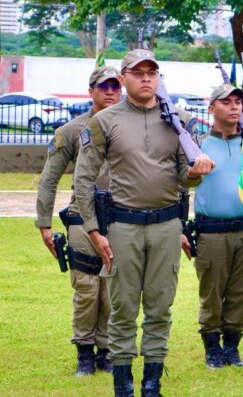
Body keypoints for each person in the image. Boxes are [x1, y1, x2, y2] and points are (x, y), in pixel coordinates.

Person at [74, 49, 215, 397]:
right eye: (138, 72)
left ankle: (152, 382)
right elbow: (83, 179)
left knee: (160, 307)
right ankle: (123, 384)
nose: (146, 78)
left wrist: (197, 174)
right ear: (123, 79)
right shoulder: (106, 121)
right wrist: (93, 230)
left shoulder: (176, 119)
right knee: (123, 308)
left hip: (168, 225)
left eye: (152, 72)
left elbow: (185, 176)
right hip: (123, 226)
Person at [35, 65, 121, 376]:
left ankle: (107, 351)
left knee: (114, 289)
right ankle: (85, 352)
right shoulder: (71, 131)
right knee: (87, 288)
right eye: (103, 87)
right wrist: (44, 223)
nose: (110, 91)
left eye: (115, 86)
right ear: (91, 91)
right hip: (82, 217)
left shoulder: (128, 126)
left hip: (121, 216)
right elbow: (49, 179)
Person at [192, 84, 243, 368]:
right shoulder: (197, 144)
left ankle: (232, 347)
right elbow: (181, 184)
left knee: (242, 290)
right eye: (226, 102)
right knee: (212, 292)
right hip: (211, 231)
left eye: (237, 102)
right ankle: (212, 348)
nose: (234, 107)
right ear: (211, 108)